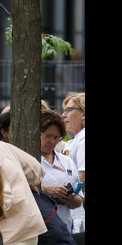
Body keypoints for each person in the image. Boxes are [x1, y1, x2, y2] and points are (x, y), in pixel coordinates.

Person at [38, 110, 83, 232]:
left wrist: (71, 198)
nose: (52, 141)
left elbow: (78, 201)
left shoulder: (67, 162)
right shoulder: (29, 159)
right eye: (47, 136)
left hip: (65, 228)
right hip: (40, 228)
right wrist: (46, 189)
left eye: (56, 137)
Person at [60, 92, 85, 230]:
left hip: (79, 214)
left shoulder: (84, 138)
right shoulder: (76, 139)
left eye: (68, 111)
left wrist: (70, 196)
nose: (63, 115)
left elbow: (83, 175)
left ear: (83, 114)